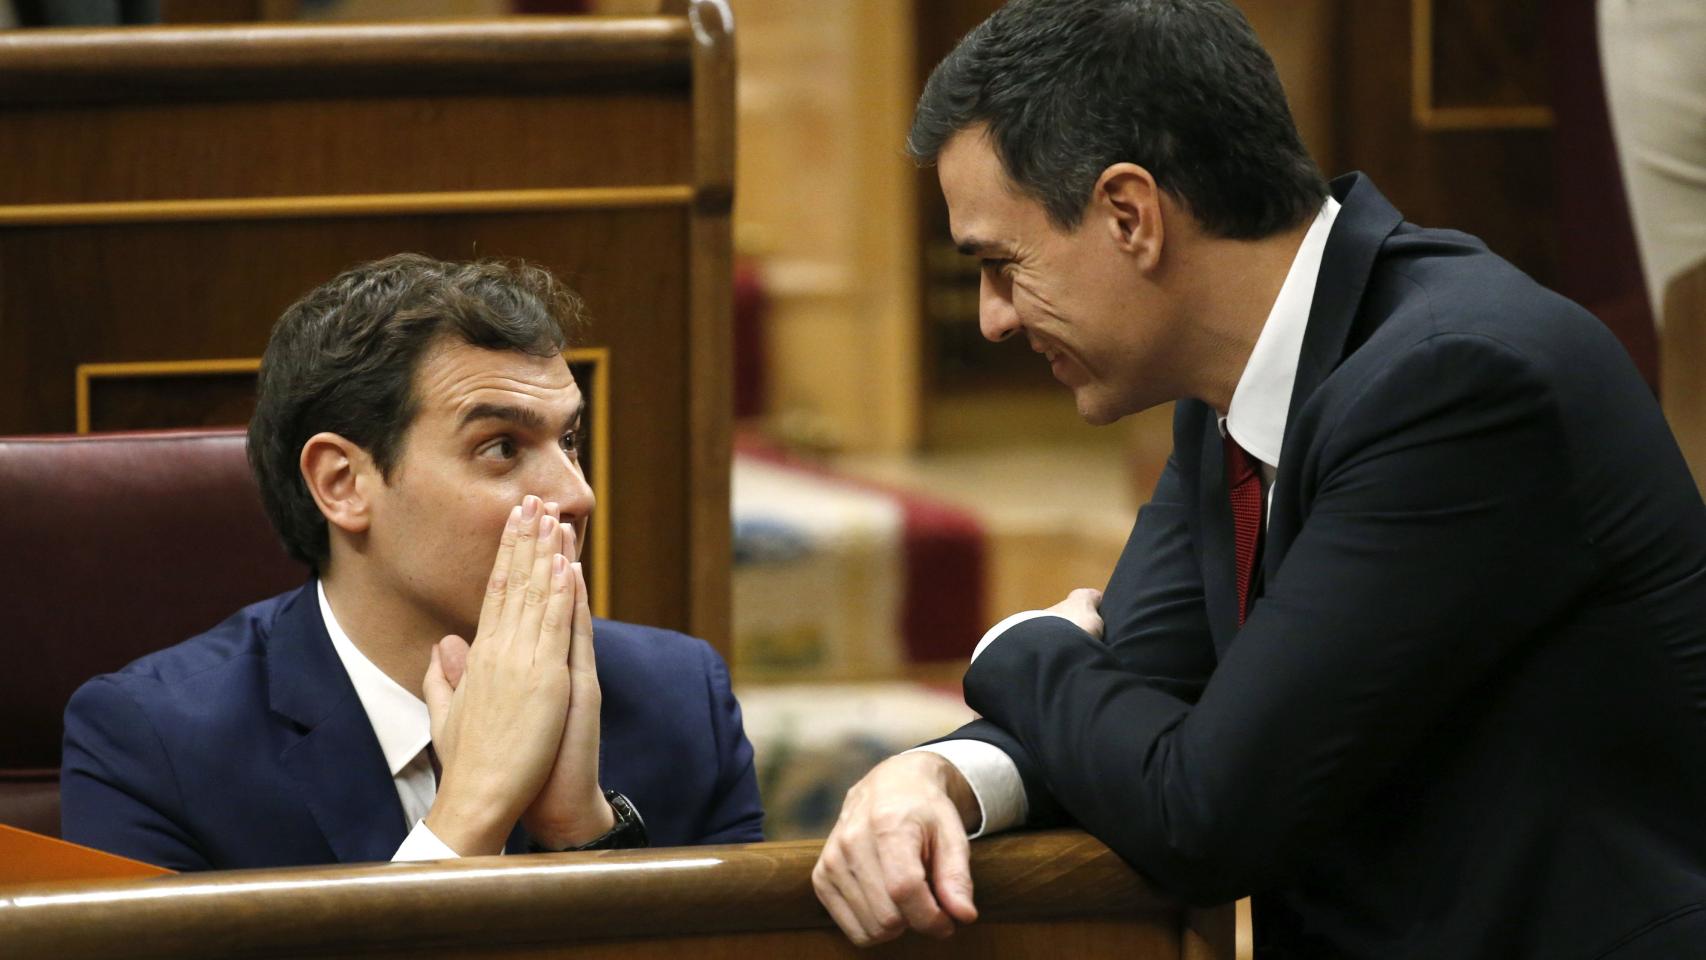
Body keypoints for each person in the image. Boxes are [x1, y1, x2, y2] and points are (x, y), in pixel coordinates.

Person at [811, 2, 1706, 957]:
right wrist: (943, 774)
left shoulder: (1457, 382)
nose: (993, 318)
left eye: (1003, 264)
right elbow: (1128, 698)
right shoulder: (1232, 391)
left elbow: (1205, 813)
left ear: (1129, 215)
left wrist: (1015, 646)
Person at [61, 254, 764, 870]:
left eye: (570, 440)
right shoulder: (152, 744)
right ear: (343, 483)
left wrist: (582, 834)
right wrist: (470, 814)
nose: (577, 495)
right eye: (502, 448)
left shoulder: (682, 701)